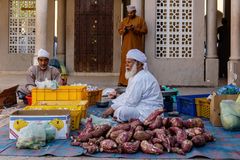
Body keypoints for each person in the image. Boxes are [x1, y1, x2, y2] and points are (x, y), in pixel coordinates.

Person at [102, 49, 164, 122]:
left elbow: (131, 101)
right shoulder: (134, 76)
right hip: (139, 106)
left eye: (129, 62)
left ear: (138, 64)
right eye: (126, 62)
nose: (126, 65)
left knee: (121, 112)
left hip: (148, 111)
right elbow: (128, 94)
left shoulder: (141, 77)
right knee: (117, 108)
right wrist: (115, 104)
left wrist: (112, 108)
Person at [118, 5, 148, 86]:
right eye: (129, 13)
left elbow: (145, 31)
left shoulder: (140, 20)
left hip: (136, 46)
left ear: (135, 12)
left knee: (135, 62)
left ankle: (136, 81)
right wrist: (125, 29)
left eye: (131, 13)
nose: (130, 14)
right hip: (126, 46)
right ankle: (123, 81)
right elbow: (120, 31)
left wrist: (135, 29)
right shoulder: (124, 20)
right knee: (126, 61)